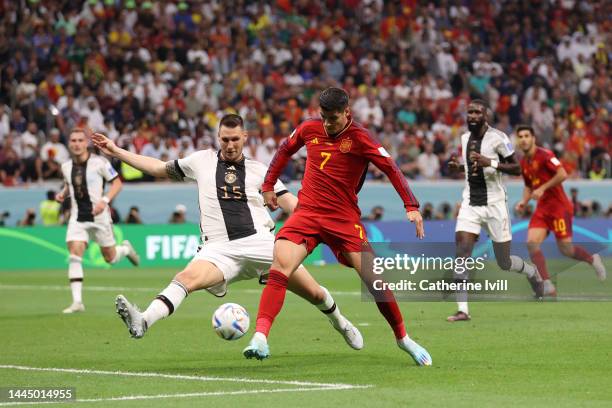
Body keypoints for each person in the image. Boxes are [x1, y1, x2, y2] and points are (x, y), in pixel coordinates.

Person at [91, 114, 363, 350]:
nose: (230, 145)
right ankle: (143, 320)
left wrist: (323, 227)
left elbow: (291, 203)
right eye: (225, 139)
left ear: (245, 137)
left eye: (235, 139)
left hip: (262, 243)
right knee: (185, 279)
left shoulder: (260, 171)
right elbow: (158, 167)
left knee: (314, 293)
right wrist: (116, 151)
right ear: (217, 138)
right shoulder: (200, 161)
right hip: (218, 249)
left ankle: (340, 322)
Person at [242, 87, 431, 366]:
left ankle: (403, 338)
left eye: (333, 118)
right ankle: (260, 336)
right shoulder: (309, 129)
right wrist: (268, 184)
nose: (328, 124)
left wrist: (411, 206)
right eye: (324, 117)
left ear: (347, 113)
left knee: (374, 280)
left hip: (343, 219)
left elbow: (391, 168)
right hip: (307, 214)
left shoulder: (361, 138)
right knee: (280, 266)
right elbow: (285, 150)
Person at [446, 100, 543, 322]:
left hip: (495, 205)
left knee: (504, 262)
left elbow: (517, 168)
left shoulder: (499, 138)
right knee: (462, 253)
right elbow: (473, 168)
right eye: (469, 112)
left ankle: (531, 272)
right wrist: (458, 168)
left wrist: (491, 162)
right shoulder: (464, 138)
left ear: (485, 116)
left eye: (476, 112)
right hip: (470, 203)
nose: (472, 116)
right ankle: (463, 310)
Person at [515, 125, 606, 295]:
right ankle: (547, 283)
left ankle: (592, 259)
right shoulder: (523, 162)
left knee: (566, 249)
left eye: (527, 135)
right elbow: (528, 186)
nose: (524, 139)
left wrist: (542, 188)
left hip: (559, 207)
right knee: (531, 243)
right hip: (542, 209)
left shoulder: (545, 155)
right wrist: (523, 201)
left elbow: (563, 174)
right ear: (517, 140)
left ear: (533, 138)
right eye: (520, 136)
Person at [56, 128, 140, 314]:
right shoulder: (66, 167)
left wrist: (105, 200)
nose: (76, 144)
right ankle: (77, 302)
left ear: (86, 143)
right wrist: (63, 194)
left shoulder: (99, 162)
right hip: (78, 218)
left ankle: (125, 249)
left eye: (80, 140)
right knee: (74, 253)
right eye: (73, 140)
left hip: (100, 217)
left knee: (110, 258)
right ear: (69, 144)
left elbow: (117, 183)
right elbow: (72, 185)